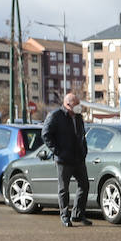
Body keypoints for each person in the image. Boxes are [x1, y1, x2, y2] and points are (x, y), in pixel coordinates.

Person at [41, 91, 90, 227]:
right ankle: (65, 216)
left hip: (78, 158)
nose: (79, 107)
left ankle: (78, 215)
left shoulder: (78, 117)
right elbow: (46, 135)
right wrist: (57, 151)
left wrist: (84, 150)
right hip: (63, 159)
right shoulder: (55, 116)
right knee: (64, 189)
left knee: (84, 185)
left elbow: (82, 135)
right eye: (76, 104)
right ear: (68, 104)